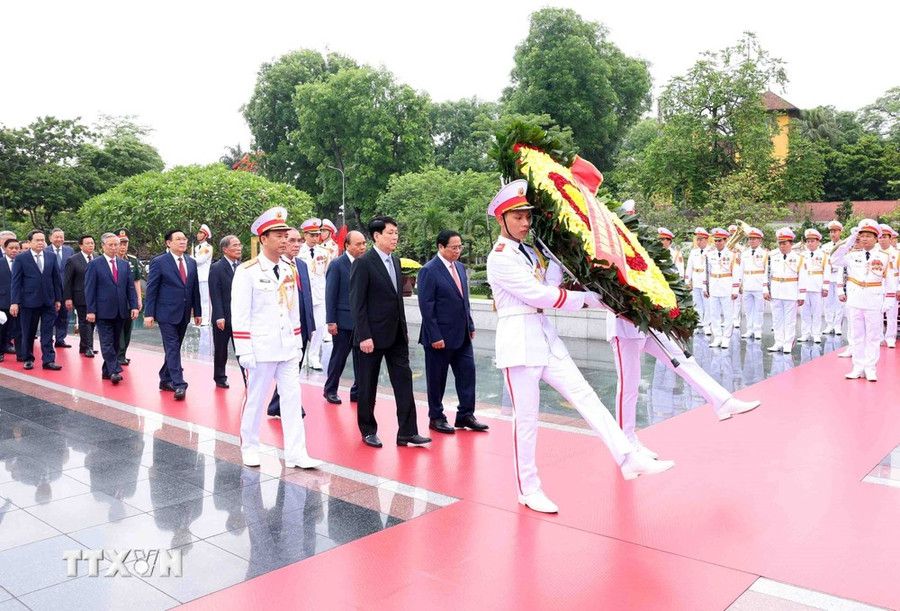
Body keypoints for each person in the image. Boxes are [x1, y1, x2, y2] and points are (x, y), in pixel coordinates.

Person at [486, 180, 673, 514]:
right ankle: (528, 489)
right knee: (526, 421)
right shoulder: (499, 258)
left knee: (586, 395)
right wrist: (589, 300)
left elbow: (548, 285)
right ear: (502, 219)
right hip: (519, 341)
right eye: (517, 217)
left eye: (527, 216)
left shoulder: (528, 252)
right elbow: (538, 295)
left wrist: (559, 257)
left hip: (543, 336)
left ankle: (627, 458)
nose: (525, 223)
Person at [231, 206, 322, 469]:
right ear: (263, 239)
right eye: (279, 235)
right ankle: (249, 446)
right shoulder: (247, 271)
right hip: (260, 348)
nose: (284, 240)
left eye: (286, 235)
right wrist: (244, 349)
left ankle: (296, 453)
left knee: (292, 400)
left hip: (287, 348)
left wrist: (296, 342)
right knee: (256, 399)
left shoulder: (288, 269)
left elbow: (292, 310)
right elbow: (240, 314)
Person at [609, 316, 760, 458]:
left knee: (685, 361)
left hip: (649, 325)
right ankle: (627, 442)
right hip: (624, 330)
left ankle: (723, 402)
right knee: (629, 386)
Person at [350, 216, 431, 449]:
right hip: (371, 338)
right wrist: (364, 335)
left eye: (396, 232)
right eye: (390, 233)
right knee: (368, 386)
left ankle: (407, 432)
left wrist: (403, 331)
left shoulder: (395, 261)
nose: (395, 237)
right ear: (377, 236)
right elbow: (357, 303)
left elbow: (397, 300)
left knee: (404, 383)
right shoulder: (363, 263)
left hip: (396, 336)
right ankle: (368, 431)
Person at [417, 229, 488, 434]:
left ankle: (466, 414)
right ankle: (436, 416)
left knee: (467, 374)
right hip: (439, 337)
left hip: (462, 334)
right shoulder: (429, 270)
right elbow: (426, 306)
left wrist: (471, 325)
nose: (458, 251)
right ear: (441, 247)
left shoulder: (459, 267)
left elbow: (464, 301)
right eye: (453, 247)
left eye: (460, 247)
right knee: (437, 379)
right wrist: (435, 335)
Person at [831, 220, 896, 381]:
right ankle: (858, 367)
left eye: (869, 236)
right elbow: (834, 258)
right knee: (857, 335)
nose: (865, 239)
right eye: (862, 236)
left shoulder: (884, 257)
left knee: (874, 336)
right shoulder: (852, 256)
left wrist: (889, 300)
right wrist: (850, 240)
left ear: (876, 238)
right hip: (855, 300)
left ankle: (871, 368)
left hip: (874, 300)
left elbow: (890, 281)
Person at [143, 229, 202, 400]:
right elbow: (152, 289)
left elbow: (194, 289)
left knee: (173, 348)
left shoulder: (191, 262)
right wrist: (149, 313)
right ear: (169, 243)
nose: (183, 242)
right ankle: (179, 384)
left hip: (184, 313)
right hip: (166, 313)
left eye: (184, 239)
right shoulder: (159, 262)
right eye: (178, 239)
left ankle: (164, 378)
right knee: (172, 347)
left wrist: (197, 311)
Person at [266, 227, 315, 418]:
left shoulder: (301, 265)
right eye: (291, 240)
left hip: (301, 326)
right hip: (283, 327)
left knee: (296, 365)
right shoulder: (277, 266)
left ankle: (276, 405)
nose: (296, 245)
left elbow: (307, 296)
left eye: (299, 241)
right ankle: (288, 405)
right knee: (287, 369)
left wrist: (310, 324)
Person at [85, 232, 139, 385]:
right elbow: (90, 289)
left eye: (117, 245)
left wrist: (133, 306)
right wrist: (91, 310)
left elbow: (130, 287)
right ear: (103, 246)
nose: (115, 248)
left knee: (116, 342)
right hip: (103, 310)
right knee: (107, 341)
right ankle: (115, 370)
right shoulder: (94, 264)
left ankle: (106, 370)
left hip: (121, 310)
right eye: (111, 245)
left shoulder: (124, 264)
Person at [10, 230, 63, 370]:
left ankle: (48, 360)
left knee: (47, 332)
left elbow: (56, 279)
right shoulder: (21, 258)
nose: (40, 243)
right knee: (28, 331)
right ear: (29, 242)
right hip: (28, 301)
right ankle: (27, 358)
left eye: (42, 240)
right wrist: (14, 302)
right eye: (37, 240)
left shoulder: (51, 256)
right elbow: (16, 281)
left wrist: (58, 299)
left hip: (48, 301)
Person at [323, 230, 365, 405]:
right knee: (339, 357)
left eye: (364, 243)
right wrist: (331, 321)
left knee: (361, 359)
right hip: (342, 321)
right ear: (347, 245)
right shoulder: (337, 265)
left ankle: (358, 391)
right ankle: (330, 390)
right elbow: (330, 294)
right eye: (358, 244)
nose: (362, 247)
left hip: (361, 322)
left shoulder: (365, 264)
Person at [763, 228, 806, 353]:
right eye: (780, 243)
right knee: (777, 319)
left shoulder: (798, 258)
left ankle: (788, 342)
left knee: (789, 320)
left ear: (791, 243)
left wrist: (801, 295)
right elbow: (766, 274)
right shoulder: (772, 256)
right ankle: (778, 341)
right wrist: (765, 289)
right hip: (776, 290)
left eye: (784, 243)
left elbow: (802, 277)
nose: (782, 246)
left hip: (791, 291)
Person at [208, 234, 243, 388]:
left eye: (239, 245)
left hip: (240, 317)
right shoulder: (216, 268)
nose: (238, 248)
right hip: (223, 317)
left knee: (243, 349)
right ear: (225, 249)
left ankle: (247, 377)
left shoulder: (242, 268)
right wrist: (219, 316)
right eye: (235, 245)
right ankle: (220, 377)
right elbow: (215, 294)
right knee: (221, 350)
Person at [299, 218, 329, 370]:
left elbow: (327, 274)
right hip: (303, 295)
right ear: (305, 235)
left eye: (317, 235)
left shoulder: (324, 252)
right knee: (303, 327)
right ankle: (302, 356)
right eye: (311, 235)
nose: (315, 238)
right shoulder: (298, 251)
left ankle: (314, 357)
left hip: (319, 294)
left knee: (319, 327)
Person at [704, 228, 740, 349]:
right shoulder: (710, 255)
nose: (717, 243)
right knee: (714, 313)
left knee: (728, 314)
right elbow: (706, 272)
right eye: (716, 240)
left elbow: (736, 273)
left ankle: (726, 338)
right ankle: (717, 336)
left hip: (727, 287)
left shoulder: (732, 255)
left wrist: (735, 290)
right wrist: (705, 287)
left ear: (725, 240)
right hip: (714, 286)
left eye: (720, 240)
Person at [63, 235, 97, 358]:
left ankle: (84, 345)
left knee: (93, 322)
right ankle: (88, 347)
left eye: (92, 243)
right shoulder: (73, 260)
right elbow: (67, 281)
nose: (90, 245)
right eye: (87, 243)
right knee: (85, 321)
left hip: (96, 296)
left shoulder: (98, 258)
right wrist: (68, 297)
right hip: (80, 296)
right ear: (81, 245)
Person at [115, 229, 143, 366]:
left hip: (129, 299)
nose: (123, 246)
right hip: (115, 300)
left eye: (125, 243)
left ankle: (123, 353)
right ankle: (119, 355)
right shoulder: (111, 260)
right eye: (120, 243)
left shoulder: (132, 260)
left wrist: (139, 299)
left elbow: (136, 281)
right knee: (118, 327)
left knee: (127, 327)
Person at [798, 229, 828, 344]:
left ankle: (816, 333)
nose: (810, 243)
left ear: (818, 242)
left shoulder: (823, 256)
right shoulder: (801, 255)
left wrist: (825, 287)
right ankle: (805, 333)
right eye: (808, 241)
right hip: (804, 286)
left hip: (817, 285)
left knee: (817, 311)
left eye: (812, 241)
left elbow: (827, 271)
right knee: (804, 312)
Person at [47, 228, 74, 348]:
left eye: (61, 237)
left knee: (64, 315)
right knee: (50, 315)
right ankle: (48, 339)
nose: (59, 239)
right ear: (50, 238)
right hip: (51, 288)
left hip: (66, 288)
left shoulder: (69, 250)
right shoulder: (45, 250)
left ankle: (60, 339)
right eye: (56, 237)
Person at [739, 228, 767, 340]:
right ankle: (749, 329)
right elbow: (741, 269)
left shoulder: (765, 254)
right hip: (747, 283)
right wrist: (739, 283)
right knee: (748, 309)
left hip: (759, 284)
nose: (751, 241)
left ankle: (757, 330)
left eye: (754, 239)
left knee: (759, 309)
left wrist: (766, 287)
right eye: (750, 239)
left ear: (760, 240)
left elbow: (766, 271)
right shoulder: (744, 253)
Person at [685, 228, 711, 334]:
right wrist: (687, 280)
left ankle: (707, 324)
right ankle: (698, 322)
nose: (699, 241)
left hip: (706, 281)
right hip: (696, 279)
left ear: (706, 240)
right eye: (698, 239)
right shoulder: (694, 252)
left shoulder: (711, 251)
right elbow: (689, 266)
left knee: (707, 304)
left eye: (701, 239)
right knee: (697, 303)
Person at [820, 220, 844, 335]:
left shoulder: (844, 245)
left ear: (840, 232)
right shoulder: (825, 247)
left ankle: (838, 325)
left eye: (835, 231)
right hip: (828, 277)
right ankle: (829, 324)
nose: (833, 234)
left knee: (839, 303)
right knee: (828, 302)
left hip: (839, 276)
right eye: (831, 232)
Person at [878, 224, 899, 347]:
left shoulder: (897, 254)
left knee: (892, 314)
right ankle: (879, 337)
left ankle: (890, 337)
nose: (882, 239)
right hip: (876, 287)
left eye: (884, 237)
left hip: (892, 288)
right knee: (877, 314)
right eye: (880, 237)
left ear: (890, 238)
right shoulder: (874, 253)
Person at [0, 238, 21, 361]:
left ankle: (21, 353)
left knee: (19, 329)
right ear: (4, 248)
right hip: (3, 301)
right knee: (3, 328)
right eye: (11, 248)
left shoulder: (23, 262)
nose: (14, 250)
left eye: (16, 248)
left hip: (20, 301)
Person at [193, 224, 213, 326]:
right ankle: (201, 318)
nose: (198, 235)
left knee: (206, 300)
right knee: (199, 299)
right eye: (198, 232)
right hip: (197, 276)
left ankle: (207, 319)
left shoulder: (208, 247)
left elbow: (200, 260)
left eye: (201, 233)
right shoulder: (197, 247)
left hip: (205, 276)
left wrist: (190, 259)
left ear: (205, 235)